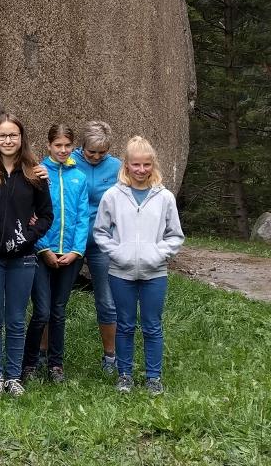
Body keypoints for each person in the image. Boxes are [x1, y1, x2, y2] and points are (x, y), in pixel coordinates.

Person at [0, 115, 53, 396]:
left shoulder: (34, 174)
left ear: (21, 138)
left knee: (15, 319)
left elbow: (46, 216)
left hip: (23, 258)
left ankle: (13, 376)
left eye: (13, 135)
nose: (7, 140)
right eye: (2, 135)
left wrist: (27, 236)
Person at [93, 137, 184, 395]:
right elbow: (100, 231)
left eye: (146, 165)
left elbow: (175, 235)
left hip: (154, 273)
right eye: (136, 165)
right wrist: (117, 253)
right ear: (126, 165)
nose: (141, 170)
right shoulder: (113, 195)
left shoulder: (164, 197)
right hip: (120, 272)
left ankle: (153, 376)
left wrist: (158, 255)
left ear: (152, 165)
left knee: (152, 324)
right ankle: (124, 374)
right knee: (125, 324)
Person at [23, 124, 90, 382]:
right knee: (42, 311)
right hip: (42, 253)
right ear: (49, 145)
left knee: (59, 310)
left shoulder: (79, 177)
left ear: (73, 146)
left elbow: (83, 216)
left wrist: (77, 250)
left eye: (67, 145)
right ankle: (28, 363)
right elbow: (31, 215)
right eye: (57, 145)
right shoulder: (37, 173)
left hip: (70, 255)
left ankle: (55, 365)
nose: (62, 150)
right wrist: (43, 248)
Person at [71, 120, 123, 374]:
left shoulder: (116, 167)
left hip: (103, 243)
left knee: (106, 299)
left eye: (102, 152)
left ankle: (110, 357)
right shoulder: (68, 161)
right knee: (52, 300)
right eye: (91, 151)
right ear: (82, 146)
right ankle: (45, 355)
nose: (96, 157)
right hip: (72, 241)